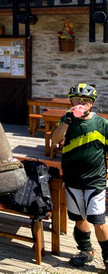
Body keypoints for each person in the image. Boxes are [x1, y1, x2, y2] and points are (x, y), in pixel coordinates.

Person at [51, 82, 108, 269]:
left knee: (98, 221)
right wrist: (66, 122)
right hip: (73, 179)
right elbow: (54, 140)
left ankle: (107, 258)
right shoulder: (66, 120)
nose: (80, 103)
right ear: (71, 101)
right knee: (78, 218)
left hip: (96, 180)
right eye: (76, 100)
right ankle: (86, 251)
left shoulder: (102, 124)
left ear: (92, 103)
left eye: (85, 100)